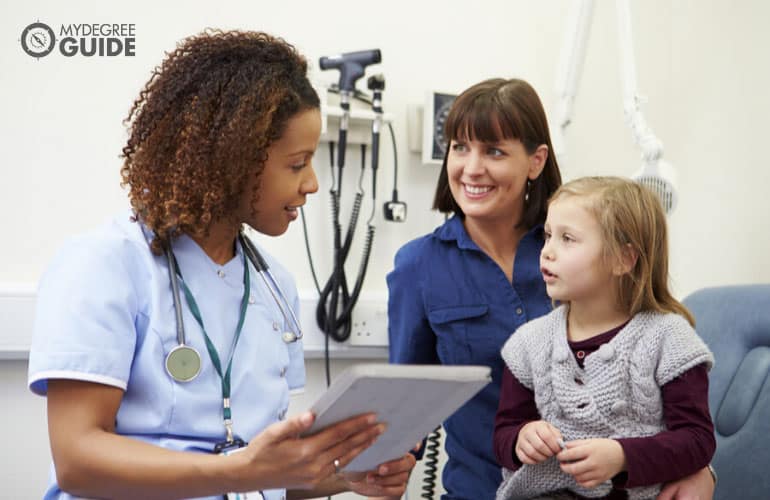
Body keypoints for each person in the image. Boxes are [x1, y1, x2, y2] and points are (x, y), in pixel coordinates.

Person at [28, 30, 414, 500]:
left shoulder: (274, 286)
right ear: (231, 160)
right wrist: (239, 472)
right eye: (297, 164)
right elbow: (77, 459)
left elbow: (262, 469)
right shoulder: (103, 265)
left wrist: (346, 475)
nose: (312, 184)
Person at [387, 78, 716, 500]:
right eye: (459, 147)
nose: (470, 168)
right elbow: (403, 408)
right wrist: (377, 466)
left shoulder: (585, 241)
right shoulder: (419, 266)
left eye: (494, 151)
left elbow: (667, 405)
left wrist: (699, 469)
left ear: (536, 160)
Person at [494, 176, 716, 500]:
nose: (547, 252)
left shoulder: (669, 339)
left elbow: (697, 440)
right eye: (548, 235)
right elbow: (504, 432)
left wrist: (622, 456)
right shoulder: (529, 343)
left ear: (623, 259)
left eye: (568, 238)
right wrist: (521, 439)